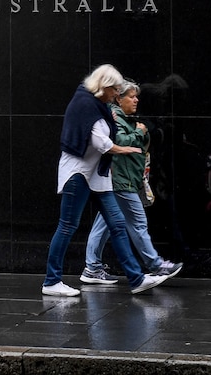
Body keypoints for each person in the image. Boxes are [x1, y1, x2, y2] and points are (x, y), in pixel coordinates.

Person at [42, 64, 168, 297]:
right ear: (105, 86)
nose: (117, 95)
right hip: (78, 174)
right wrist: (127, 149)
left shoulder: (99, 106)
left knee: (118, 224)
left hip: (97, 176)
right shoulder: (85, 104)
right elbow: (101, 143)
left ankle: (136, 278)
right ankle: (51, 281)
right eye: (115, 90)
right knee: (67, 225)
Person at [81, 81, 183, 283]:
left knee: (103, 224)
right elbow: (117, 141)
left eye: (137, 96)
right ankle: (155, 265)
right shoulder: (115, 117)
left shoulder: (124, 117)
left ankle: (92, 268)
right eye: (131, 96)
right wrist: (139, 132)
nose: (136, 100)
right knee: (138, 223)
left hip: (121, 179)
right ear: (119, 99)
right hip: (122, 180)